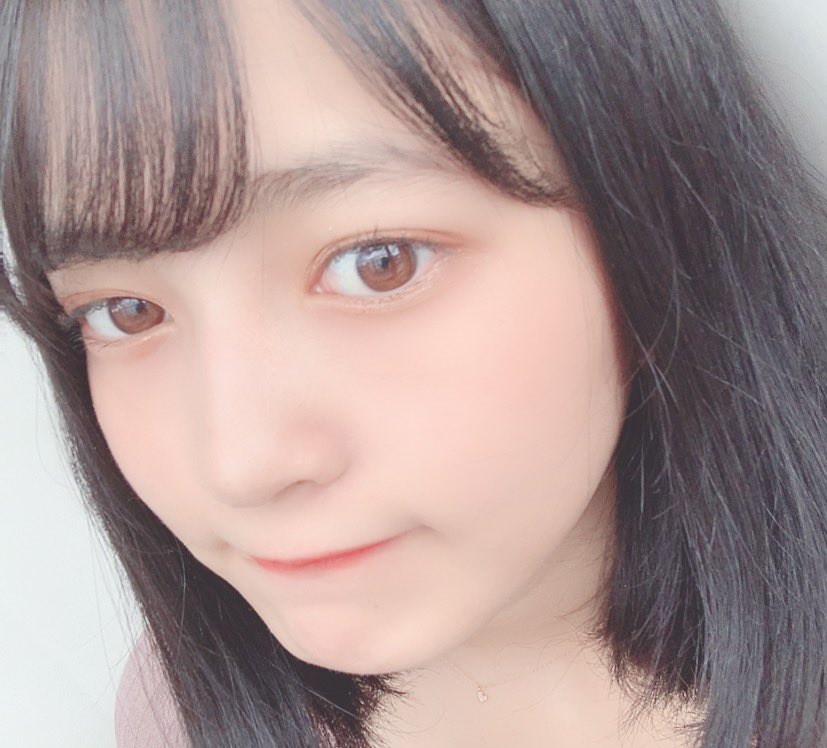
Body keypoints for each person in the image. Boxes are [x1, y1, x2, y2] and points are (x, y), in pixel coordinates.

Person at [1, 1, 825, 746]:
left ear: (653, 227)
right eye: (125, 312)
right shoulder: (176, 709)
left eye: (379, 263)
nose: (240, 466)